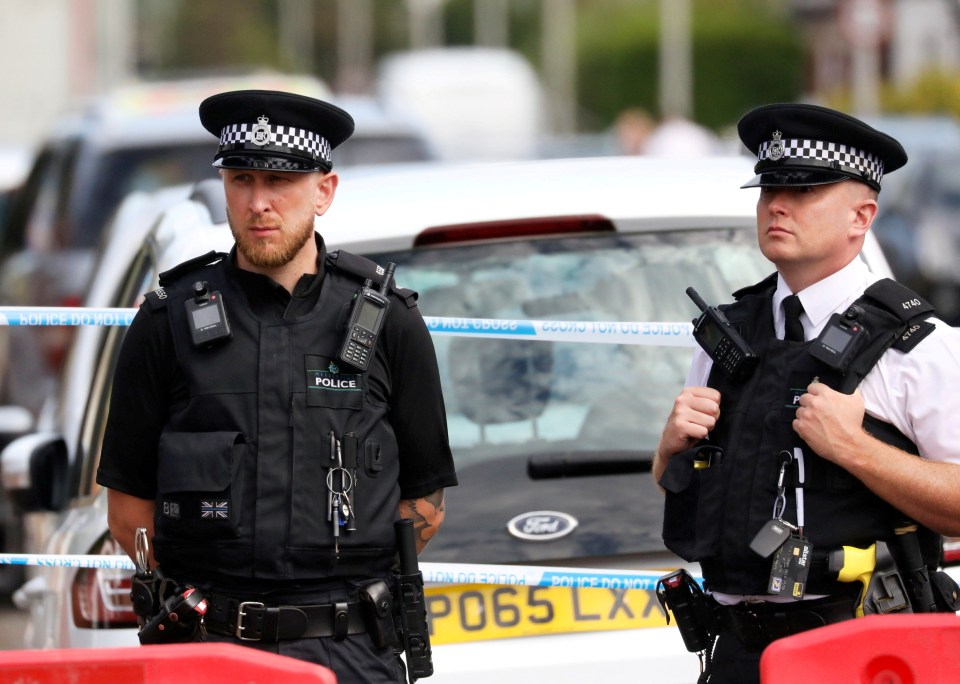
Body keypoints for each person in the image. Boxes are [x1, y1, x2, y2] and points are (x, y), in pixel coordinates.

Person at [96, 90, 457, 683]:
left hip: (350, 654)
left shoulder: (388, 320)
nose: (259, 202)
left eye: (279, 181)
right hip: (209, 653)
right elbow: (129, 510)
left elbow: (425, 502)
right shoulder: (167, 321)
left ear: (324, 191)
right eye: (241, 179)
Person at [653, 103, 960, 684]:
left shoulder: (918, 346)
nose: (777, 204)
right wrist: (667, 449)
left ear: (861, 216)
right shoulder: (729, 332)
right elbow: (686, 478)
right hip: (736, 653)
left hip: (865, 651)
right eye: (768, 187)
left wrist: (856, 448)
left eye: (806, 190)